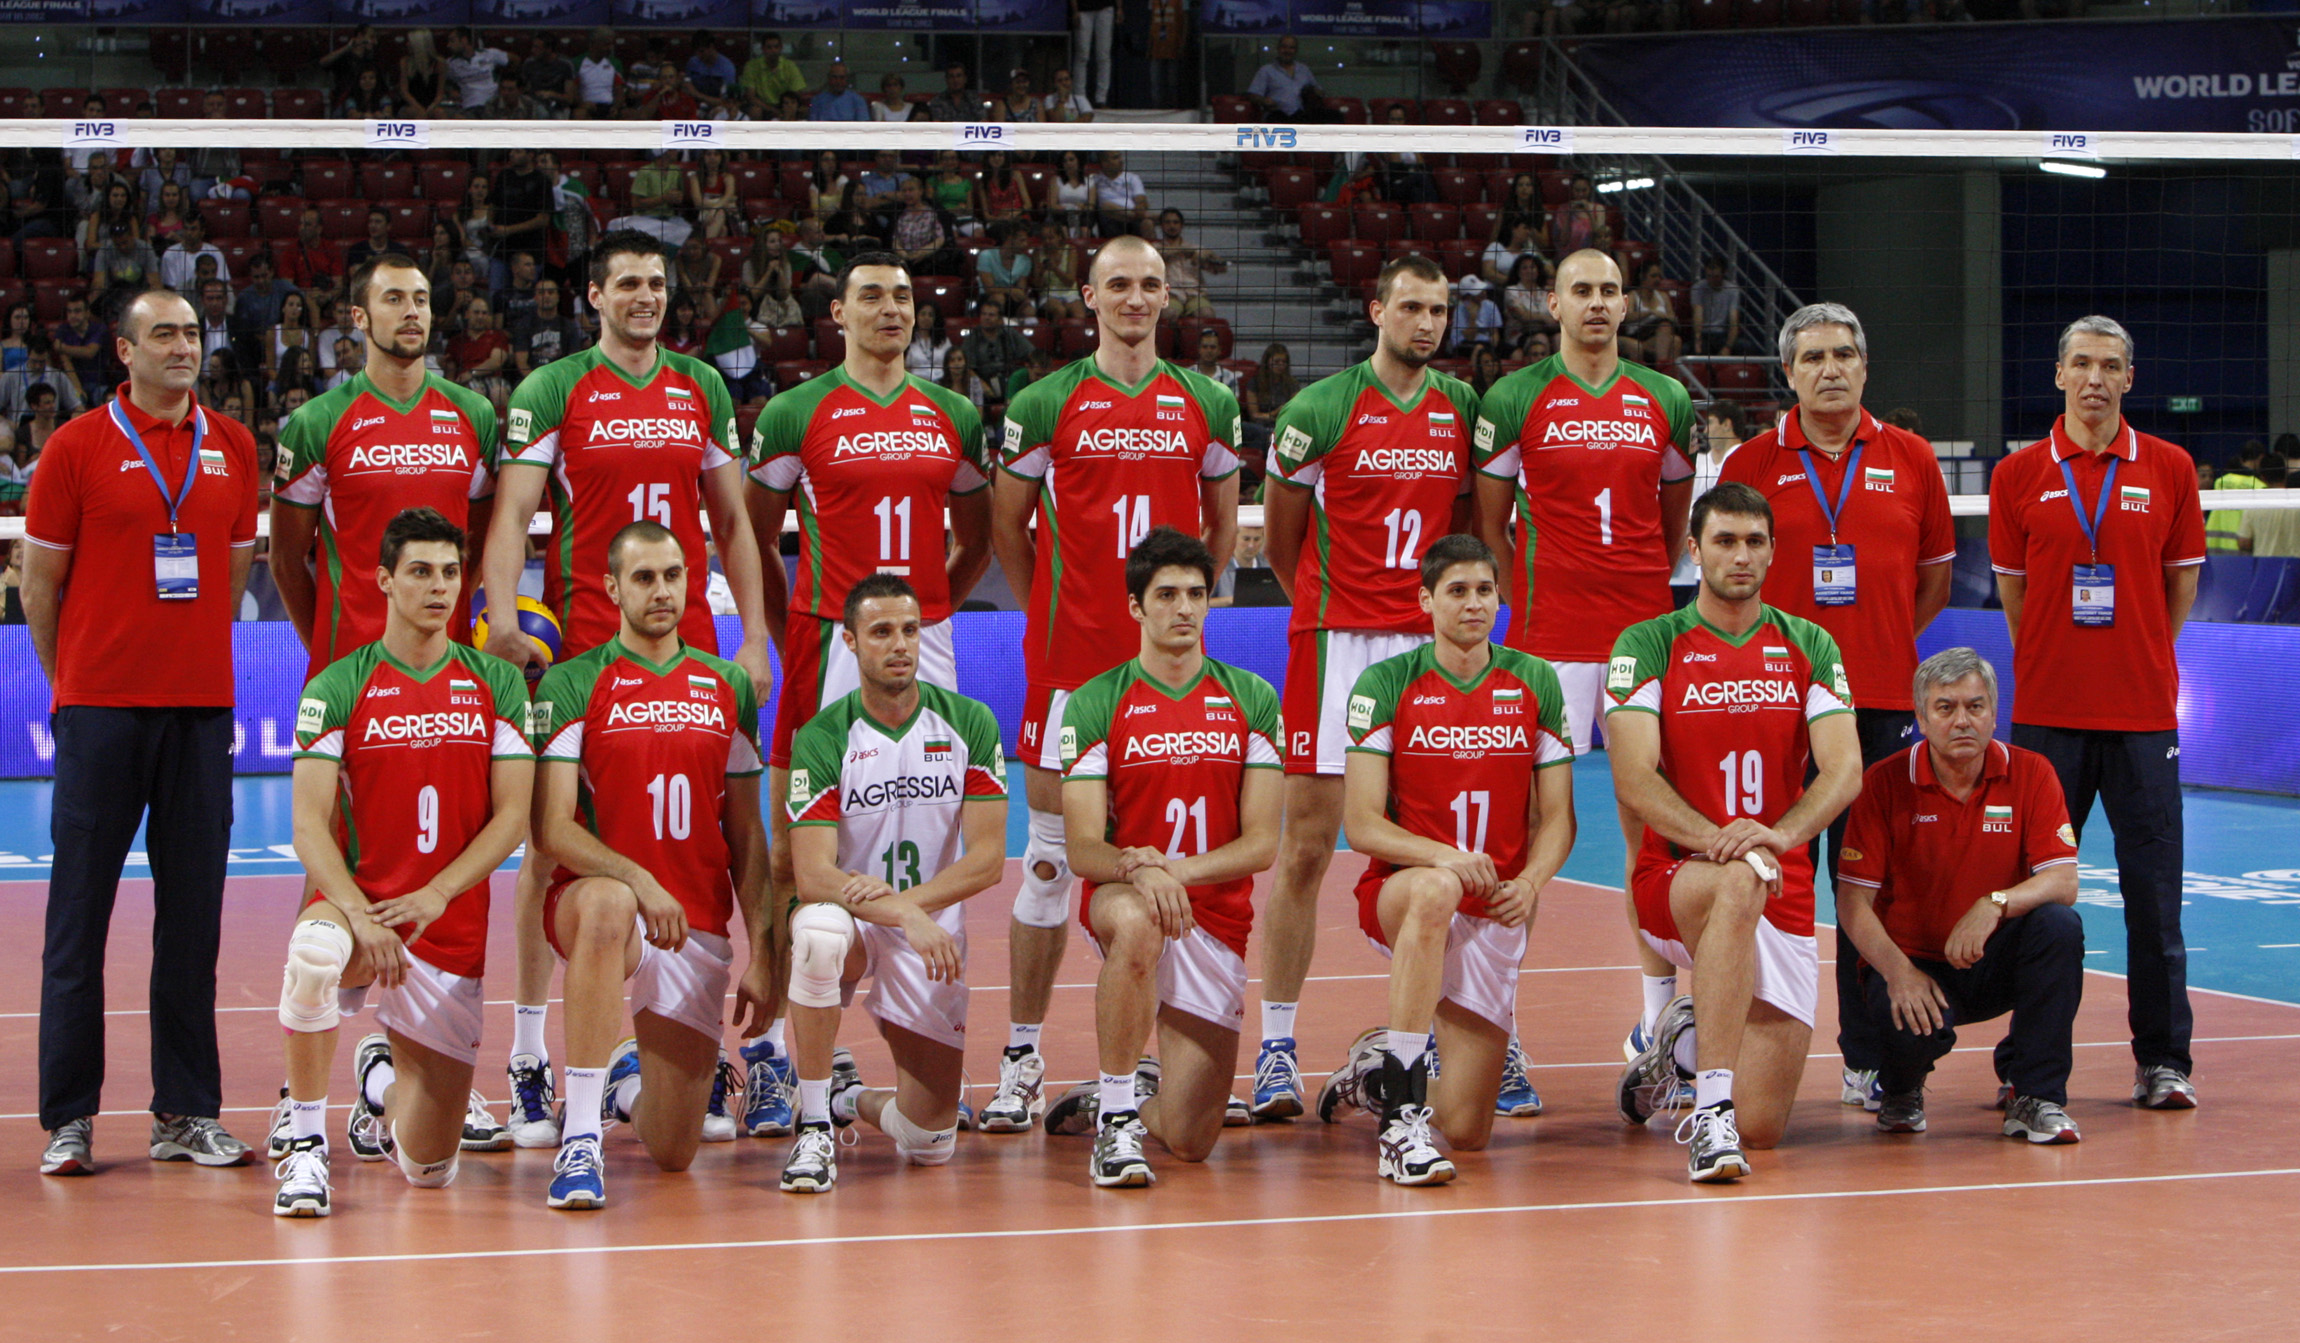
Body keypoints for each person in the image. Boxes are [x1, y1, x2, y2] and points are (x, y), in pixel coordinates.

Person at [483, 233, 777, 1145]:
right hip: (583, 647)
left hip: (688, 647)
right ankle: (530, 1056)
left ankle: (702, 1048)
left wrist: (753, 633)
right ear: (594, 295)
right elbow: (511, 517)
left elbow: (732, 521)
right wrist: (501, 618)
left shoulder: (702, 385)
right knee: (552, 849)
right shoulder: (554, 388)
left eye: (656, 283)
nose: (645, 297)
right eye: (628, 284)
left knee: (709, 834)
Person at [983, 237, 1241, 1134]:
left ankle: (1152, 1060)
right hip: (1067, 668)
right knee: (1050, 861)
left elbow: (1218, 528)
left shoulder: (1207, 401)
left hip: (1165, 675)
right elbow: (1008, 525)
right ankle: (1021, 1056)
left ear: (1169, 298)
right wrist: (1051, 614)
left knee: (1161, 861)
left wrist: (1179, 614)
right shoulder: (1044, 401)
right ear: (1089, 296)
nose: (1136, 298)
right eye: (1119, 284)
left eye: (1151, 285)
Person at [743, 252, 995, 1139]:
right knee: (793, 855)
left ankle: (920, 1025)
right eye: (872, 296)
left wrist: (923, 618)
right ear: (839, 315)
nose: (891, 308)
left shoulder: (954, 413)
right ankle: (772, 1053)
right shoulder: (795, 412)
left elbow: (975, 537)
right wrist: (806, 619)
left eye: (904, 296)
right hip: (825, 639)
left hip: (924, 640)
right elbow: (757, 539)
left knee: (935, 833)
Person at [1254, 256, 1497, 1121]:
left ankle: (1475, 1035)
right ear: (1376, 309)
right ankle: (1276, 1047)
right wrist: (1337, 606)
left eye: (1439, 310)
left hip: (1429, 647)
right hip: (1336, 645)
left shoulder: (1462, 408)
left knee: (1448, 848)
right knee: (1307, 847)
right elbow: (1281, 542)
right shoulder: (1320, 408)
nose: (1427, 323)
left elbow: (1467, 529)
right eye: (1411, 307)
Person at [27, 288, 262, 1176]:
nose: (182, 346)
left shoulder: (233, 446)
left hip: (200, 712)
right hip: (100, 714)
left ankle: (185, 1111)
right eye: (162, 333)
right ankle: (69, 1117)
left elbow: (229, 578)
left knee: (192, 922)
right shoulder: (76, 445)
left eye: (192, 332)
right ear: (124, 352)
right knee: (77, 919)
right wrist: (75, 686)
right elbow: (40, 587)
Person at [1715, 303, 1954, 1106]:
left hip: (1880, 701)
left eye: (1844, 354)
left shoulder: (1913, 457)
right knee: (1766, 877)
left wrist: (1876, 648)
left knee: (1873, 886)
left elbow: (1933, 580)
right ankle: (1741, 1054)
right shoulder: (1751, 461)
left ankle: (1870, 1060)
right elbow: (1726, 579)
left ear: (1865, 365)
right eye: (1813, 356)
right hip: (1774, 706)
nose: (1831, 368)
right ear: (1788, 372)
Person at [268, 508, 533, 1215]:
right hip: (366, 910)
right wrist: (360, 914)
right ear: (384, 580)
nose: (439, 587)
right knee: (314, 955)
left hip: (448, 927)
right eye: (420, 571)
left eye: (450, 572)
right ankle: (305, 1149)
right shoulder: (337, 685)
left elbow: (512, 817)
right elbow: (307, 825)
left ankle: (378, 1083)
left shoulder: (497, 683)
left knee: (428, 1168)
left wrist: (439, 893)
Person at [1472, 247, 1695, 1056]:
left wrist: (1638, 595)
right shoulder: (1513, 396)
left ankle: (1657, 1022)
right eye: (1581, 291)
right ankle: (1497, 1030)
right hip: (1549, 641)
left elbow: (1673, 523)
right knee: (1527, 831)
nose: (1597, 303)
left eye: (1609, 291)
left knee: (1650, 830)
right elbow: (1491, 528)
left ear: (1627, 304)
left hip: (1641, 638)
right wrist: (1534, 602)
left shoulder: (1665, 397)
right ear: (1553, 305)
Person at [1609, 481, 1862, 1183]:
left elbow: (1844, 769)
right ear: (1694, 550)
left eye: (1754, 542)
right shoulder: (1649, 642)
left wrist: (1776, 836)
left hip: (1779, 878)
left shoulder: (1808, 642)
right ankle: (1710, 1112)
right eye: (1724, 541)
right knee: (1737, 880)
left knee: (1766, 1127)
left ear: (1774, 551)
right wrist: (1716, 840)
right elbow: (1633, 775)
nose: (1740, 555)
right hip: (1677, 878)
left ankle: (1682, 1049)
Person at [1988, 314, 2205, 1111]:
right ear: (2058, 374)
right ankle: (2025, 1062)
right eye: (2081, 363)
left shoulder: (2171, 466)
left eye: (2110, 366)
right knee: (2034, 899)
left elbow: (2180, 586)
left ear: (2129, 379)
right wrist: (2058, 660)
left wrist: (2137, 656)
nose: (2094, 378)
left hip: (2144, 718)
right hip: (2048, 718)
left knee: (2155, 901)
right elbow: (2014, 593)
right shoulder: (2018, 474)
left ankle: (2163, 1060)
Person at [1313, 534, 1576, 1183]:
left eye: (1485, 590)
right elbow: (1361, 824)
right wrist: (1445, 858)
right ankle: (1401, 1120)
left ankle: (1374, 1073)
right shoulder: (1387, 682)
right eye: (1457, 590)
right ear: (1427, 599)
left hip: (1494, 909)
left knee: (1467, 1128)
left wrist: (1532, 882)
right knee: (1435, 889)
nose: (1473, 603)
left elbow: (1558, 818)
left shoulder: (1533, 679)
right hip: (1402, 895)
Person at [527, 522, 769, 1209]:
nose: (661, 590)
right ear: (611, 588)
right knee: (609, 904)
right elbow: (550, 828)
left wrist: (766, 952)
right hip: (601, 907)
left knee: (673, 1149)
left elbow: (747, 833)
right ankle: (581, 1138)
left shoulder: (727, 684)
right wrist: (639, 881)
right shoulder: (575, 681)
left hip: (694, 921)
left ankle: (622, 1085)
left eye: (672, 575)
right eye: (643, 577)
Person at [1041, 528, 1281, 1186]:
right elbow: (1084, 847)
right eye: (1167, 595)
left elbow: (1262, 843)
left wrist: (1175, 870)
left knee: (1192, 1138)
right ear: (1135, 607)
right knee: (1139, 919)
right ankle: (1117, 1118)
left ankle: (1122, 1098)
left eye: (1196, 594)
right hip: (1127, 895)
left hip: (1214, 915)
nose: (1184, 608)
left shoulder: (1252, 697)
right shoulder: (1096, 700)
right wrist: (1140, 870)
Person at [776, 574, 1008, 1191]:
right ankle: (813, 1126)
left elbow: (988, 859)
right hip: (853, 917)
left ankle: (848, 1099)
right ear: (850, 641)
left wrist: (910, 909)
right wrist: (902, 912)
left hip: (928, 929)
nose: (900, 644)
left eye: (910, 630)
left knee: (930, 1141)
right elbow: (813, 874)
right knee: (818, 934)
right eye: (881, 632)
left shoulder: (969, 722)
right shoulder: (823, 734)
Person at [1834, 647, 2085, 1144]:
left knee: (2059, 928)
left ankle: (2035, 1096)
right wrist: (1899, 972)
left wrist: (1994, 903)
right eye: (1946, 708)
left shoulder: (2033, 772)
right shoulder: (1883, 782)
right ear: (1922, 718)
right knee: (1899, 1019)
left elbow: (2064, 881)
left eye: (1975, 706)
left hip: (1992, 961)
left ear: (1994, 713)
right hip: (1915, 966)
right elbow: (1851, 902)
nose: (1962, 721)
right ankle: (1902, 1089)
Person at [271, 255, 499, 684]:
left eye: (421, 300)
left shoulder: (474, 414)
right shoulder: (316, 422)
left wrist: (436, 616)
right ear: (359, 317)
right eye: (393, 299)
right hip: (352, 672)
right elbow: (285, 560)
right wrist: (330, 654)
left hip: (448, 670)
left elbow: (483, 542)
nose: (411, 311)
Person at [1671, 400, 1747, 598]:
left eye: (1711, 422)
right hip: (1688, 568)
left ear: (1727, 424)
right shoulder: (1699, 463)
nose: (1705, 430)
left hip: (1727, 564)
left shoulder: (1746, 458)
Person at [1152, 209, 1226, 319]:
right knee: (1169, 314)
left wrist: (1211, 256)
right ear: (1161, 225)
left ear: (1181, 225)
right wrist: (1184, 250)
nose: (1172, 226)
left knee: (1207, 314)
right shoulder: (1154, 248)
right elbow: (1154, 257)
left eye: (1176, 222)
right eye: (1167, 222)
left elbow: (1221, 269)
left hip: (1194, 295)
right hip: (1170, 295)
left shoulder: (1195, 249)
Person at [510, 276, 587, 377]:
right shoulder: (524, 325)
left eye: (551, 292)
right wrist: (538, 382)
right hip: (532, 379)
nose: (546, 296)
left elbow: (573, 362)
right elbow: (522, 364)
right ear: (535, 298)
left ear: (558, 297)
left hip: (561, 378)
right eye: (541, 293)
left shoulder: (568, 326)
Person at [960, 297, 1032, 400]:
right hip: (984, 386)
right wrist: (983, 386)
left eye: (991, 315)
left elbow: (1031, 353)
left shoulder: (1010, 334)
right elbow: (967, 368)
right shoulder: (972, 338)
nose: (986, 318)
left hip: (1010, 381)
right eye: (984, 314)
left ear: (1000, 319)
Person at [2207, 439, 2267, 551]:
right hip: (2241, 546)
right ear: (2260, 458)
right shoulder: (2258, 486)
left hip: (2214, 544)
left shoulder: (2221, 481)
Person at [2237, 456, 2300, 557]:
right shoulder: (2296, 502)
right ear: (2286, 474)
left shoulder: (2254, 505)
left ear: (2262, 477)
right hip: (2295, 564)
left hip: (2265, 563)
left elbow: (2244, 543)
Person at [444, 27, 512, 116]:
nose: (448, 45)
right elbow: (443, 82)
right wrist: (451, 91)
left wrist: (504, 79)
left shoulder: (489, 54)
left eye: (452, 41)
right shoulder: (450, 64)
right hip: (469, 107)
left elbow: (515, 60)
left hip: (492, 105)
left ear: (464, 40)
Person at [1245, 35, 1317, 118]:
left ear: (1296, 50)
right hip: (1276, 115)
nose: (1287, 51)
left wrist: (1313, 93)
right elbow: (1253, 95)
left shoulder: (1304, 70)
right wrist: (1264, 101)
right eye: (1284, 47)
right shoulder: (1266, 70)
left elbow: (1319, 91)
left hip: (1301, 116)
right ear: (1278, 49)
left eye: (1291, 48)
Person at [739, 32, 807, 118]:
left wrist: (787, 108)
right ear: (763, 49)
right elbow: (750, 96)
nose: (773, 51)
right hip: (762, 106)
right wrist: (772, 110)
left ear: (781, 48)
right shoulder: (751, 66)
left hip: (783, 105)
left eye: (776, 47)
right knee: (755, 111)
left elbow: (796, 93)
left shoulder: (790, 66)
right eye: (769, 47)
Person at [1690, 256, 1741, 357]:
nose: (1712, 280)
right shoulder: (1698, 288)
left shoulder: (1732, 290)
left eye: (1716, 276)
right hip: (1704, 333)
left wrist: (1728, 346)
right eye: (1709, 276)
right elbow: (1698, 314)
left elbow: (1734, 321)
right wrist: (1698, 338)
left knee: (1745, 347)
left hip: (1723, 334)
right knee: (1698, 350)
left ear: (1723, 273)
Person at [1091, 152, 1149, 239]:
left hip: (1134, 220)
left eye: (1120, 157)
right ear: (1105, 163)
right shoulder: (1095, 180)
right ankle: (1140, 216)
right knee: (1106, 206)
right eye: (1115, 158)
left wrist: (1140, 207)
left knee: (1148, 223)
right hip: (1109, 219)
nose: (1121, 160)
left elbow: (1141, 200)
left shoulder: (1132, 178)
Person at [1072, 0, 1119, 108]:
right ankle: (1079, 97)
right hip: (1083, 9)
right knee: (1082, 55)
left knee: (1104, 55)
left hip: (1105, 7)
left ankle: (1101, 99)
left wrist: (1119, 7)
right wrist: (1075, 10)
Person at [398, 29, 450, 120]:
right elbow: (404, 92)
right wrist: (419, 108)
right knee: (419, 114)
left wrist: (432, 107)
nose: (407, 44)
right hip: (410, 105)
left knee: (440, 113)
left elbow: (440, 93)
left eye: (410, 42)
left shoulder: (439, 64)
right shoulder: (405, 62)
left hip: (431, 104)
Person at [575, 28, 625, 119]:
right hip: (587, 107)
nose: (610, 48)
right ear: (593, 44)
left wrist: (616, 107)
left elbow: (619, 90)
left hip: (609, 106)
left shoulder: (615, 63)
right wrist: (582, 104)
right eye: (606, 45)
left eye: (611, 44)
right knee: (579, 114)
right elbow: (573, 90)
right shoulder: (578, 62)